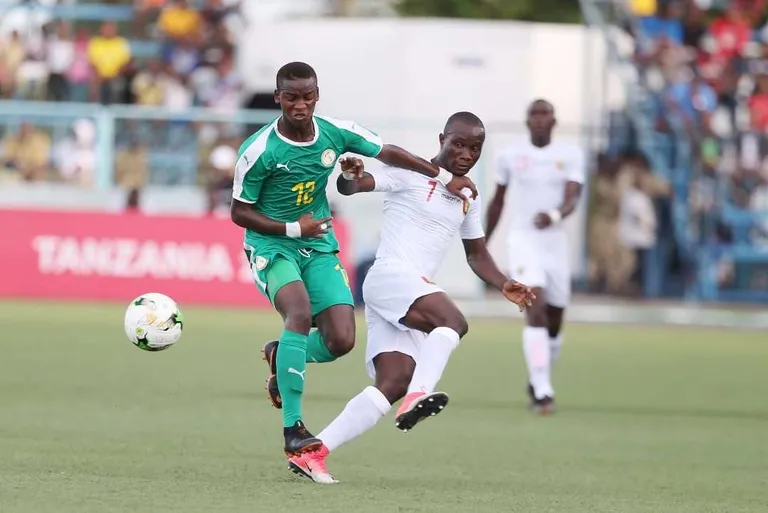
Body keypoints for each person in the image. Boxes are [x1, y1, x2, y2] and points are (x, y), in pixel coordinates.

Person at [230, 62, 477, 457]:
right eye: (291, 97)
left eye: (307, 96)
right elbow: (239, 212)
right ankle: (293, 429)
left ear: (317, 95)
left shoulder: (335, 132)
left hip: (318, 244)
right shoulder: (258, 150)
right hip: (272, 245)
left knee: (340, 340)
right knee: (298, 311)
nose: (300, 105)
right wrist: (293, 228)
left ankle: (283, 352)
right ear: (278, 97)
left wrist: (444, 178)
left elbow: (389, 152)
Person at [286, 112, 535, 484]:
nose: (467, 154)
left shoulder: (469, 197)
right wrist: (350, 175)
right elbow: (352, 187)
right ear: (441, 139)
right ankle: (421, 394)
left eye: (475, 148)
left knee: (393, 382)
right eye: (459, 144)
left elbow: (476, 254)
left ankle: (314, 453)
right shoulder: (408, 174)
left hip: (407, 291)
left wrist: (503, 284)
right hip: (390, 276)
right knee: (453, 322)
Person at [485, 100, 584, 414]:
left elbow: (573, 198)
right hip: (523, 241)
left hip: (555, 243)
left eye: (545, 114)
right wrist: (482, 242)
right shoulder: (510, 155)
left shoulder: (571, 154)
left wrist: (554, 215)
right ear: (527, 121)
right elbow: (498, 201)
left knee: (554, 319)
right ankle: (543, 391)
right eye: (535, 115)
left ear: (554, 121)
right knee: (535, 307)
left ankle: (539, 376)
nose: (540, 120)